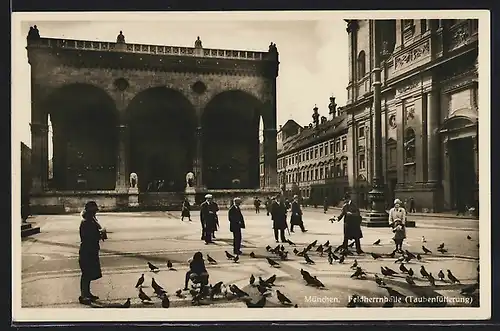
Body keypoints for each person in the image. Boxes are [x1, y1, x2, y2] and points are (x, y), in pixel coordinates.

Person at [78, 201, 105, 304]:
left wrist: (100, 234)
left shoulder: (91, 221)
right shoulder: (86, 222)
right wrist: (99, 235)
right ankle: (84, 295)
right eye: (93, 212)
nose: (95, 214)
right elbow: (87, 237)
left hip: (91, 250)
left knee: (88, 273)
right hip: (86, 250)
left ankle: (87, 293)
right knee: (85, 274)